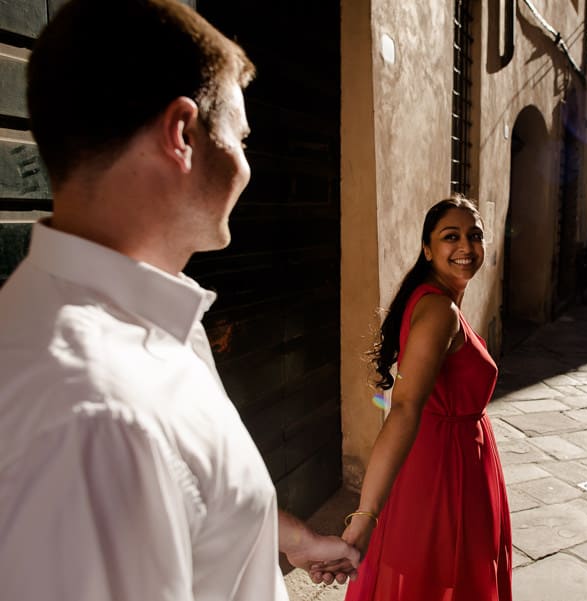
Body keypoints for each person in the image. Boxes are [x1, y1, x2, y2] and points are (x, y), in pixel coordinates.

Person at [0, 1, 357, 599]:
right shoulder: (98, 416)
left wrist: (284, 536)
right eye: (239, 139)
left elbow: (189, 489)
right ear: (183, 135)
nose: (246, 165)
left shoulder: (149, 322)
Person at [342, 196, 512, 601]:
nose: (466, 247)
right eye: (450, 236)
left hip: (447, 457)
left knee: (432, 575)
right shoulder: (439, 311)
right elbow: (402, 405)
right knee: (440, 576)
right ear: (427, 248)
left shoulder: (434, 299)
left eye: (475, 235)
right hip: (445, 466)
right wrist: (366, 515)